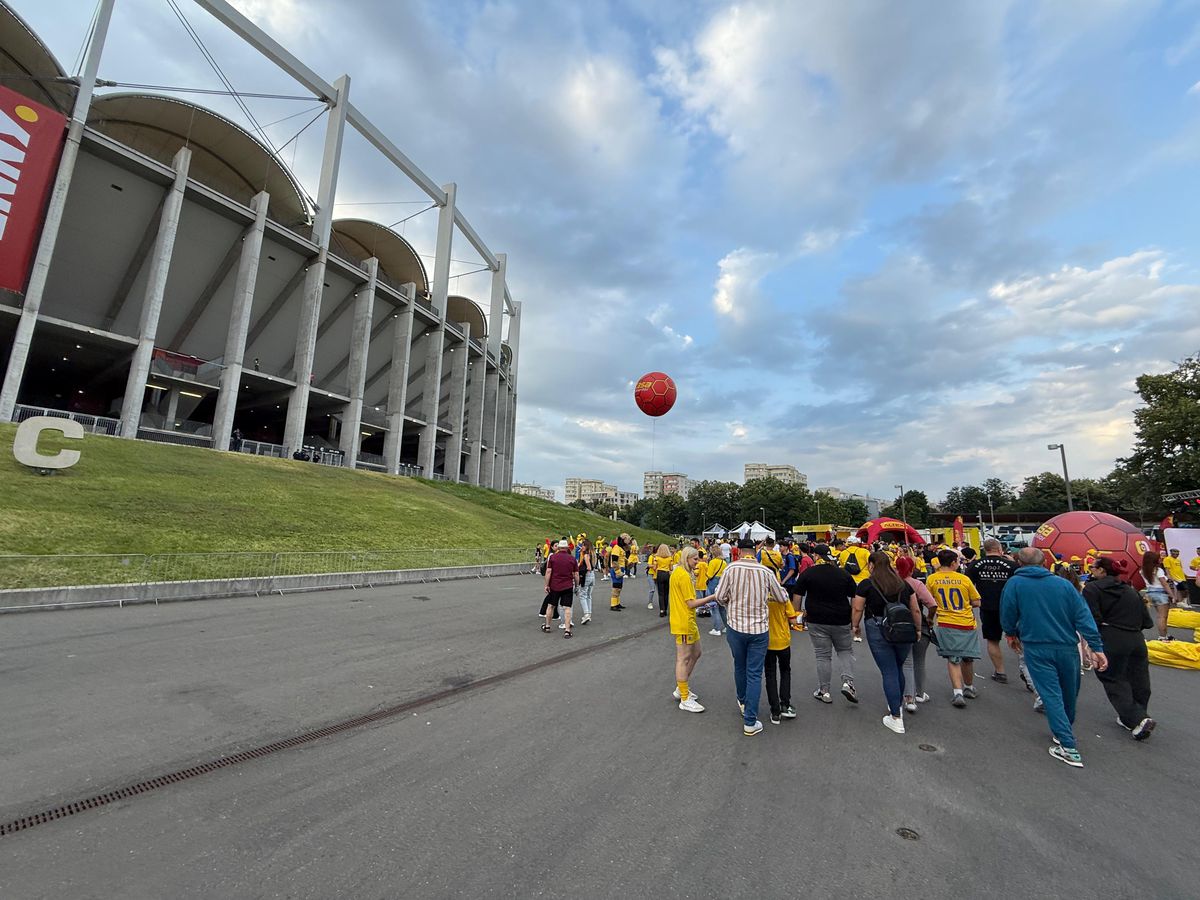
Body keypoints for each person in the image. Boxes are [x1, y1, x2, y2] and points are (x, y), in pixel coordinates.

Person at [1001, 547, 1108, 768]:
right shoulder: (1064, 585)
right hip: (1067, 645)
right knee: (1069, 692)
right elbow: (1082, 615)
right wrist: (1096, 646)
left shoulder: (1015, 584)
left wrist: (1011, 633)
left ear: (1019, 562)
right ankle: (1063, 732)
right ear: (1044, 562)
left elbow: (1008, 612)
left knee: (1051, 693)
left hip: (1036, 645)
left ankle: (1067, 744)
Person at [710, 537, 790, 736]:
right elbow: (781, 597)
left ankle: (743, 700)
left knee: (739, 665)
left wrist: (730, 602)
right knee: (754, 672)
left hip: (736, 627)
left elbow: (719, 597)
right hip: (758, 629)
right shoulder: (765, 572)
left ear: (739, 550)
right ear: (755, 550)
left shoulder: (730, 569)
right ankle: (750, 721)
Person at [1083, 557, 1156, 739]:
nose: (1091, 570)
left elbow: (1091, 618)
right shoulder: (1131, 590)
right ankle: (1136, 716)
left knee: (1112, 678)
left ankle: (1137, 718)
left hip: (1111, 636)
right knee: (1139, 678)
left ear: (1102, 571)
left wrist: (1091, 644)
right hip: (1136, 639)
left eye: (1093, 567)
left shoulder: (1092, 589)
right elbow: (1147, 621)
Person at [852, 552, 922, 734]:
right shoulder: (903, 584)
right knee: (898, 667)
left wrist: (855, 626)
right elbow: (915, 609)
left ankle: (896, 717)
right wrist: (918, 629)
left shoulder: (867, 584)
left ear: (871, 565)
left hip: (877, 627)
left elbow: (858, 607)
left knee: (889, 670)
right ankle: (897, 704)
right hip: (904, 628)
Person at [795, 544, 858, 705]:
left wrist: (797, 614)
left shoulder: (808, 573)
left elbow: (798, 595)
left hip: (816, 618)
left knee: (823, 655)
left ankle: (824, 691)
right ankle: (848, 683)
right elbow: (855, 597)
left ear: (816, 556)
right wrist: (854, 620)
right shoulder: (843, 574)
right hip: (841, 618)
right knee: (844, 650)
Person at [927, 549, 984, 708]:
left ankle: (957, 692)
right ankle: (969, 687)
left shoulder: (932, 579)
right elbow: (977, 601)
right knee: (967, 657)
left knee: (953, 659)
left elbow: (929, 601)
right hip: (966, 622)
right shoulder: (964, 579)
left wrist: (930, 618)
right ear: (953, 563)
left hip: (945, 622)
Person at [966, 538, 1019, 684]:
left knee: (993, 640)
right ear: (1000, 549)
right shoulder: (1012, 565)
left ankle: (1000, 672)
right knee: (1018, 637)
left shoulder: (975, 565)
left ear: (985, 550)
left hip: (988, 605)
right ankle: (1025, 669)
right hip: (1011, 606)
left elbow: (967, 584)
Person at [669, 547, 709, 713]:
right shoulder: (683, 576)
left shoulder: (678, 572)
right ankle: (684, 696)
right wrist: (711, 598)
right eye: (694, 560)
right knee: (683, 657)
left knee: (696, 653)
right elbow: (690, 603)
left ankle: (682, 687)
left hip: (688, 620)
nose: (697, 562)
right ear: (687, 559)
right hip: (684, 621)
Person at [897, 555, 936, 713]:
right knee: (919, 662)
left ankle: (907, 695)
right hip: (918, 624)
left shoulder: (893, 583)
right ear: (912, 568)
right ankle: (919, 693)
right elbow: (932, 604)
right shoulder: (917, 584)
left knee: (905, 662)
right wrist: (929, 618)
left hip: (898, 626)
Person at [764, 586, 799, 725]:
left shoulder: (761, 595)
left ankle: (775, 711)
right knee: (785, 671)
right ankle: (785, 704)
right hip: (783, 640)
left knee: (770, 675)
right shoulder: (783, 594)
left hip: (766, 641)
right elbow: (793, 619)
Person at [542, 540, 578, 637]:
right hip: (567, 585)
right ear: (567, 548)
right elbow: (576, 574)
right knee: (567, 608)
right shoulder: (572, 559)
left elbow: (548, 571)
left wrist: (546, 584)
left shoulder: (553, 558)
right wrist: (577, 585)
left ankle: (548, 626)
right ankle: (567, 630)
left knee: (551, 606)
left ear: (558, 548)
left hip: (555, 585)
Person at [1140, 550, 1175, 641]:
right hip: (1161, 594)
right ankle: (1163, 637)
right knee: (1163, 616)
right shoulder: (1158, 570)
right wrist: (1172, 595)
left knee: (1159, 616)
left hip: (1150, 594)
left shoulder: (1143, 570)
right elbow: (1164, 584)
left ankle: (1165, 635)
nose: (1159, 559)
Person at [705, 551, 728, 636]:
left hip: (713, 583)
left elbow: (710, 575)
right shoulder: (724, 562)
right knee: (722, 608)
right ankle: (726, 627)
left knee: (714, 606)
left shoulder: (712, 562)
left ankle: (717, 628)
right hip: (721, 582)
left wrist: (705, 573)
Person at [576, 539, 595, 624]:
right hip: (592, 576)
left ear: (586, 546)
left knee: (582, 595)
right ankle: (589, 613)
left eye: (583, 545)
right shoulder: (593, 554)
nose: (582, 547)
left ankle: (586, 613)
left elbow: (589, 567)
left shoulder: (586, 555)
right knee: (588, 595)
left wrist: (581, 568)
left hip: (586, 575)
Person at [653, 544, 673, 617]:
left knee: (661, 593)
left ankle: (662, 610)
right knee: (666, 593)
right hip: (667, 574)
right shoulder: (670, 558)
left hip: (660, 573)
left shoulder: (657, 557)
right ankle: (666, 609)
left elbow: (654, 567)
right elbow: (671, 568)